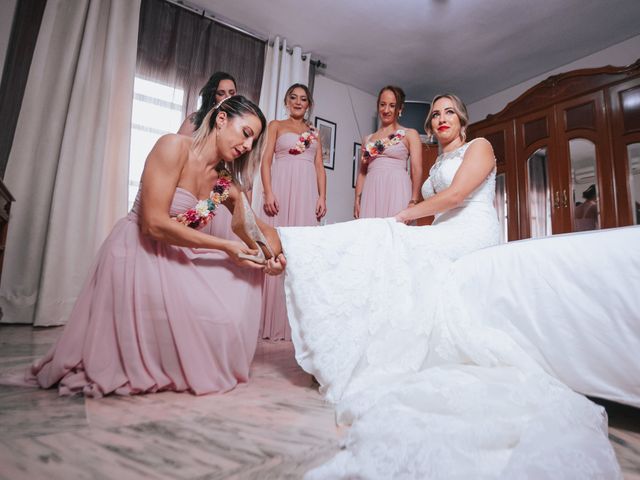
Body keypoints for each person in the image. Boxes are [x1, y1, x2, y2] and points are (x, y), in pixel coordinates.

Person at [278, 94, 620, 478]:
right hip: (443, 231)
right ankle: (342, 330)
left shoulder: (480, 147)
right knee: (388, 248)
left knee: (384, 235)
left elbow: (457, 196)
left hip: (471, 231)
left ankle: (288, 245)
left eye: (448, 112)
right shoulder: (439, 159)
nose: (441, 118)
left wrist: (407, 214)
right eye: (435, 114)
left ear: (462, 118)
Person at [30, 96, 286, 397]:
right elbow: (152, 224)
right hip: (136, 249)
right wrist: (225, 247)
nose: (247, 146)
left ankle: (188, 355)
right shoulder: (173, 147)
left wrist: (275, 257)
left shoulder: (225, 184)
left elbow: (261, 231)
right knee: (227, 263)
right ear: (221, 120)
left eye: (253, 142)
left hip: (175, 255)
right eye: (246, 133)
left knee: (242, 275)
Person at [259, 83, 327, 340]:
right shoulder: (275, 125)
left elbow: (319, 167)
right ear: (287, 101)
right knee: (276, 249)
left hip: (307, 194)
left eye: (303, 99)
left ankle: (297, 326)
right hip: (282, 191)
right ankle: (270, 321)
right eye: (293, 98)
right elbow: (265, 162)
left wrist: (322, 196)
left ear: (308, 104)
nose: (298, 102)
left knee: (303, 255)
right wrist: (268, 192)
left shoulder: (314, 133)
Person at [177, 72, 238, 241]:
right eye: (221, 93)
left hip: (219, 192)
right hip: (192, 188)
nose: (227, 97)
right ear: (213, 95)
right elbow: (179, 154)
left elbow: (237, 166)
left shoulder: (237, 127)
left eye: (232, 93)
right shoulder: (195, 119)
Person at [354, 85, 422, 219]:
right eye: (382, 104)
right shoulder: (367, 139)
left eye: (392, 105)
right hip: (371, 189)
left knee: (395, 233)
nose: (386, 110)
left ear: (400, 109)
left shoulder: (410, 134)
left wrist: (414, 200)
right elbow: (362, 172)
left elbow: (416, 169)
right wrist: (356, 199)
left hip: (397, 188)